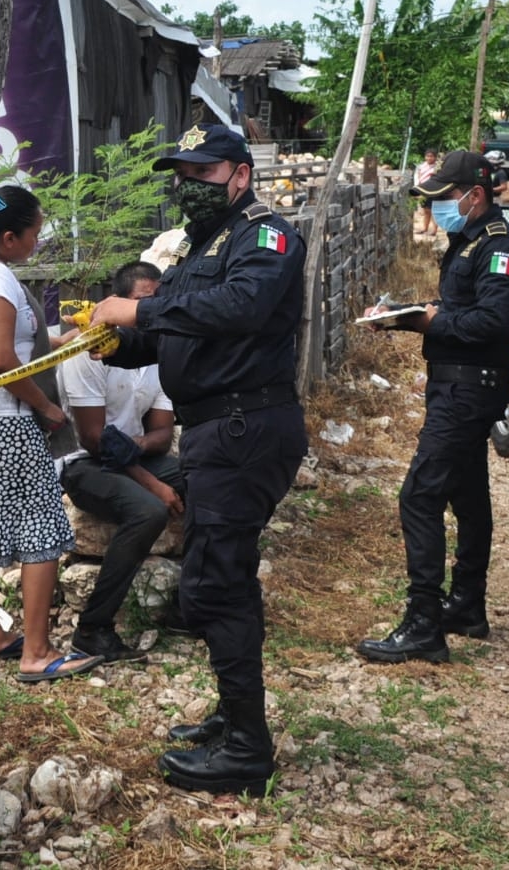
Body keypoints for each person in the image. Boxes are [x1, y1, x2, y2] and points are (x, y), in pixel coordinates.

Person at [89, 123, 308, 795]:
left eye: (203, 174)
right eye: (182, 175)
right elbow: (180, 331)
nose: (189, 187)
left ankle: (248, 748)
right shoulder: (205, 246)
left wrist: (135, 311)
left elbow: (238, 308)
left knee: (215, 583)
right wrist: (113, 344)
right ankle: (233, 716)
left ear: (240, 175)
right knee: (223, 576)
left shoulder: (266, 238)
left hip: (246, 427)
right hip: (220, 429)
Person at [357, 150, 509, 664]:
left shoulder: (501, 248)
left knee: (420, 495)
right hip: (455, 385)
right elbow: (460, 308)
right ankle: (467, 605)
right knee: (468, 492)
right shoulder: (469, 240)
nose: (436, 213)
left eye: (444, 201)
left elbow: (492, 323)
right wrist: (402, 312)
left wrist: (427, 323)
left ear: (474, 196)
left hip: (469, 389)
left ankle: (423, 623)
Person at [0, 185, 100, 684]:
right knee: (41, 529)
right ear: (9, 237)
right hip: (8, 424)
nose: (39, 240)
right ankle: (36, 651)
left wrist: (67, 339)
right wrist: (47, 407)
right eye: (35, 232)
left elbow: (13, 341)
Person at [57, 261, 185, 664]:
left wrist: (137, 446)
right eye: (142, 303)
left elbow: (163, 434)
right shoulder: (90, 348)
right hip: (82, 464)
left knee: (211, 475)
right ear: (117, 304)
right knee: (148, 511)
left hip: (132, 455)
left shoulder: (162, 348)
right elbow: (94, 440)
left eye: (157, 303)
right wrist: (153, 484)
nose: (149, 312)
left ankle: (192, 603)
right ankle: (94, 629)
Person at [413, 148, 439, 235]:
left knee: (433, 210)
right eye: (427, 156)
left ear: (435, 157)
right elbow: (417, 177)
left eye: (431, 156)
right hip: (423, 190)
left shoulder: (437, 167)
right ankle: (425, 228)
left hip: (433, 191)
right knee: (426, 210)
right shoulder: (421, 166)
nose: (429, 158)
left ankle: (434, 230)